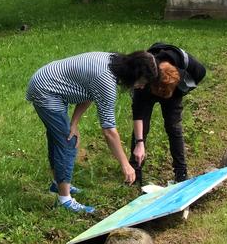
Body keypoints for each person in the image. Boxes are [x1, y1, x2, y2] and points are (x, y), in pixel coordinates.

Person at [26, 51, 159, 213]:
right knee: (68, 142)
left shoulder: (112, 62)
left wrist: (74, 123)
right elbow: (109, 131)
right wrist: (125, 164)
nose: (142, 86)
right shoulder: (107, 82)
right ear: (134, 75)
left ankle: (58, 183)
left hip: (46, 80)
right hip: (45, 90)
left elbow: (88, 91)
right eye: (143, 81)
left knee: (62, 136)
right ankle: (64, 200)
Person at [130, 43, 206, 184]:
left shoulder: (186, 64)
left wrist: (184, 89)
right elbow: (138, 115)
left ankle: (181, 172)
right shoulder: (144, 80)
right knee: (141, 129)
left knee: (173, 127)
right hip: (149, 89)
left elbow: (201, 73)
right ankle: (135, 172)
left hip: (174, 90)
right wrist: (139, 143)